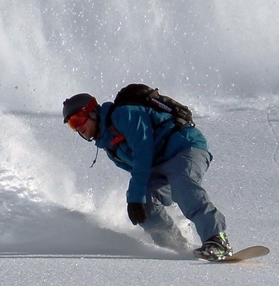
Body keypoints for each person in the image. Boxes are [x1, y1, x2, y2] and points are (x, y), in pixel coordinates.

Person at [62, 92, 232, 259]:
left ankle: (217, 240)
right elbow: (140, 172)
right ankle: (175, 246)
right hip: (159, 166)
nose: (77, 128)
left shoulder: (124, 115)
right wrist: (139, 199)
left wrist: (135, 197)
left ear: (92, 112)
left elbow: (143, 152)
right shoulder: (109, 147)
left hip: (184, 147)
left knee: (182, 184)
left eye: (78, 119)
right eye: (71, 125)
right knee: (145, 204)